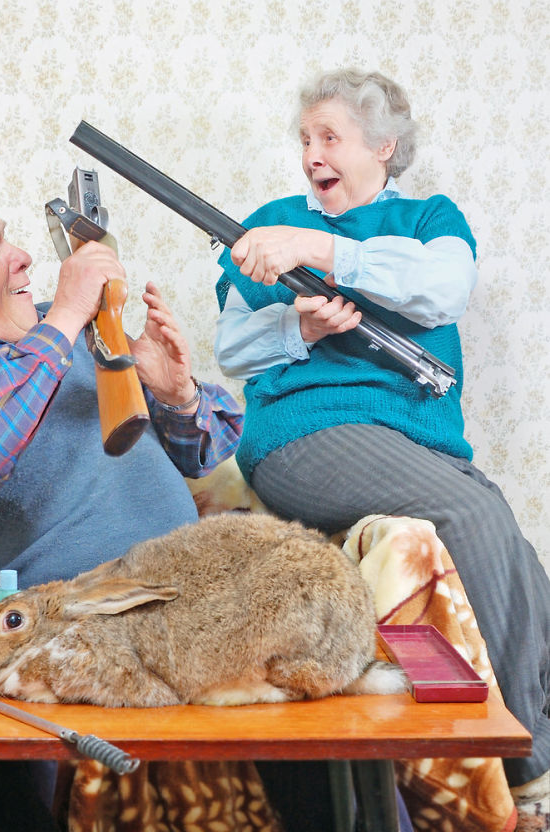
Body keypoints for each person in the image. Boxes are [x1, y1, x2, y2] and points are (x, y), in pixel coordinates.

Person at [214, 67, 550, 821]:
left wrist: (323, 251)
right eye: (306, 139)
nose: (312, 155)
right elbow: (232, 348)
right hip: (305, 433)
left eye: (330, 137)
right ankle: (527, 770)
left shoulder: (427, 219)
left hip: (419, 442)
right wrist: (298, 327)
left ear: (384, 146)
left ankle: (541, 731)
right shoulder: (268, 224)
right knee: (470, 514)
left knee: (512, 546)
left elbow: (443, 289)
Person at [0, 186, 243, 831]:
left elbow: (205, 450)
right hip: (37, 635)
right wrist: (64, 317)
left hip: (183, 604)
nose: (22, 257)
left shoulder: (82, 335)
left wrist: (178, 394)